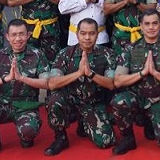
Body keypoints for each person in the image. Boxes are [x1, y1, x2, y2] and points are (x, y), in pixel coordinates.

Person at [111, 10, 160, 155]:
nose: (151, 27)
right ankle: (128, 138)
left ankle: (152, 123)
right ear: (141, 26)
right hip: (137, 98)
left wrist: (156, 73)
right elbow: (118, 81)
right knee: (119, 102)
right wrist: (142, 73)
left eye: (154, 23)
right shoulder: (130, 49)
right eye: (147, 24)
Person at [45, 18, 117, 155]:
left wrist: (91, 74)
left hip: (93, 103)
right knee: (54, 99)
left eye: (91, 33)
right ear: (77, 34)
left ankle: (84, 123)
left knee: (106, 141)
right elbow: (52, 83)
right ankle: (60, 137)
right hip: (70, 101)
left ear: (97, 34)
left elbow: (112, 84)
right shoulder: (65, 54)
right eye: (83, 33)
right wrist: (78, 73)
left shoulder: (108, 54)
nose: (87, 38)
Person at [0, 19, 50, 152]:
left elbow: (46, 84)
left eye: (21, 34)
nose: (18, 39)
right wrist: (5, 79)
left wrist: (22, 78)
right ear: (7, 37)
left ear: (28, 35)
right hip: (3, 103)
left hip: (26, 106)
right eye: (14, 35)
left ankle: (25, 136)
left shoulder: (37, 55)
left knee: (28, 132)